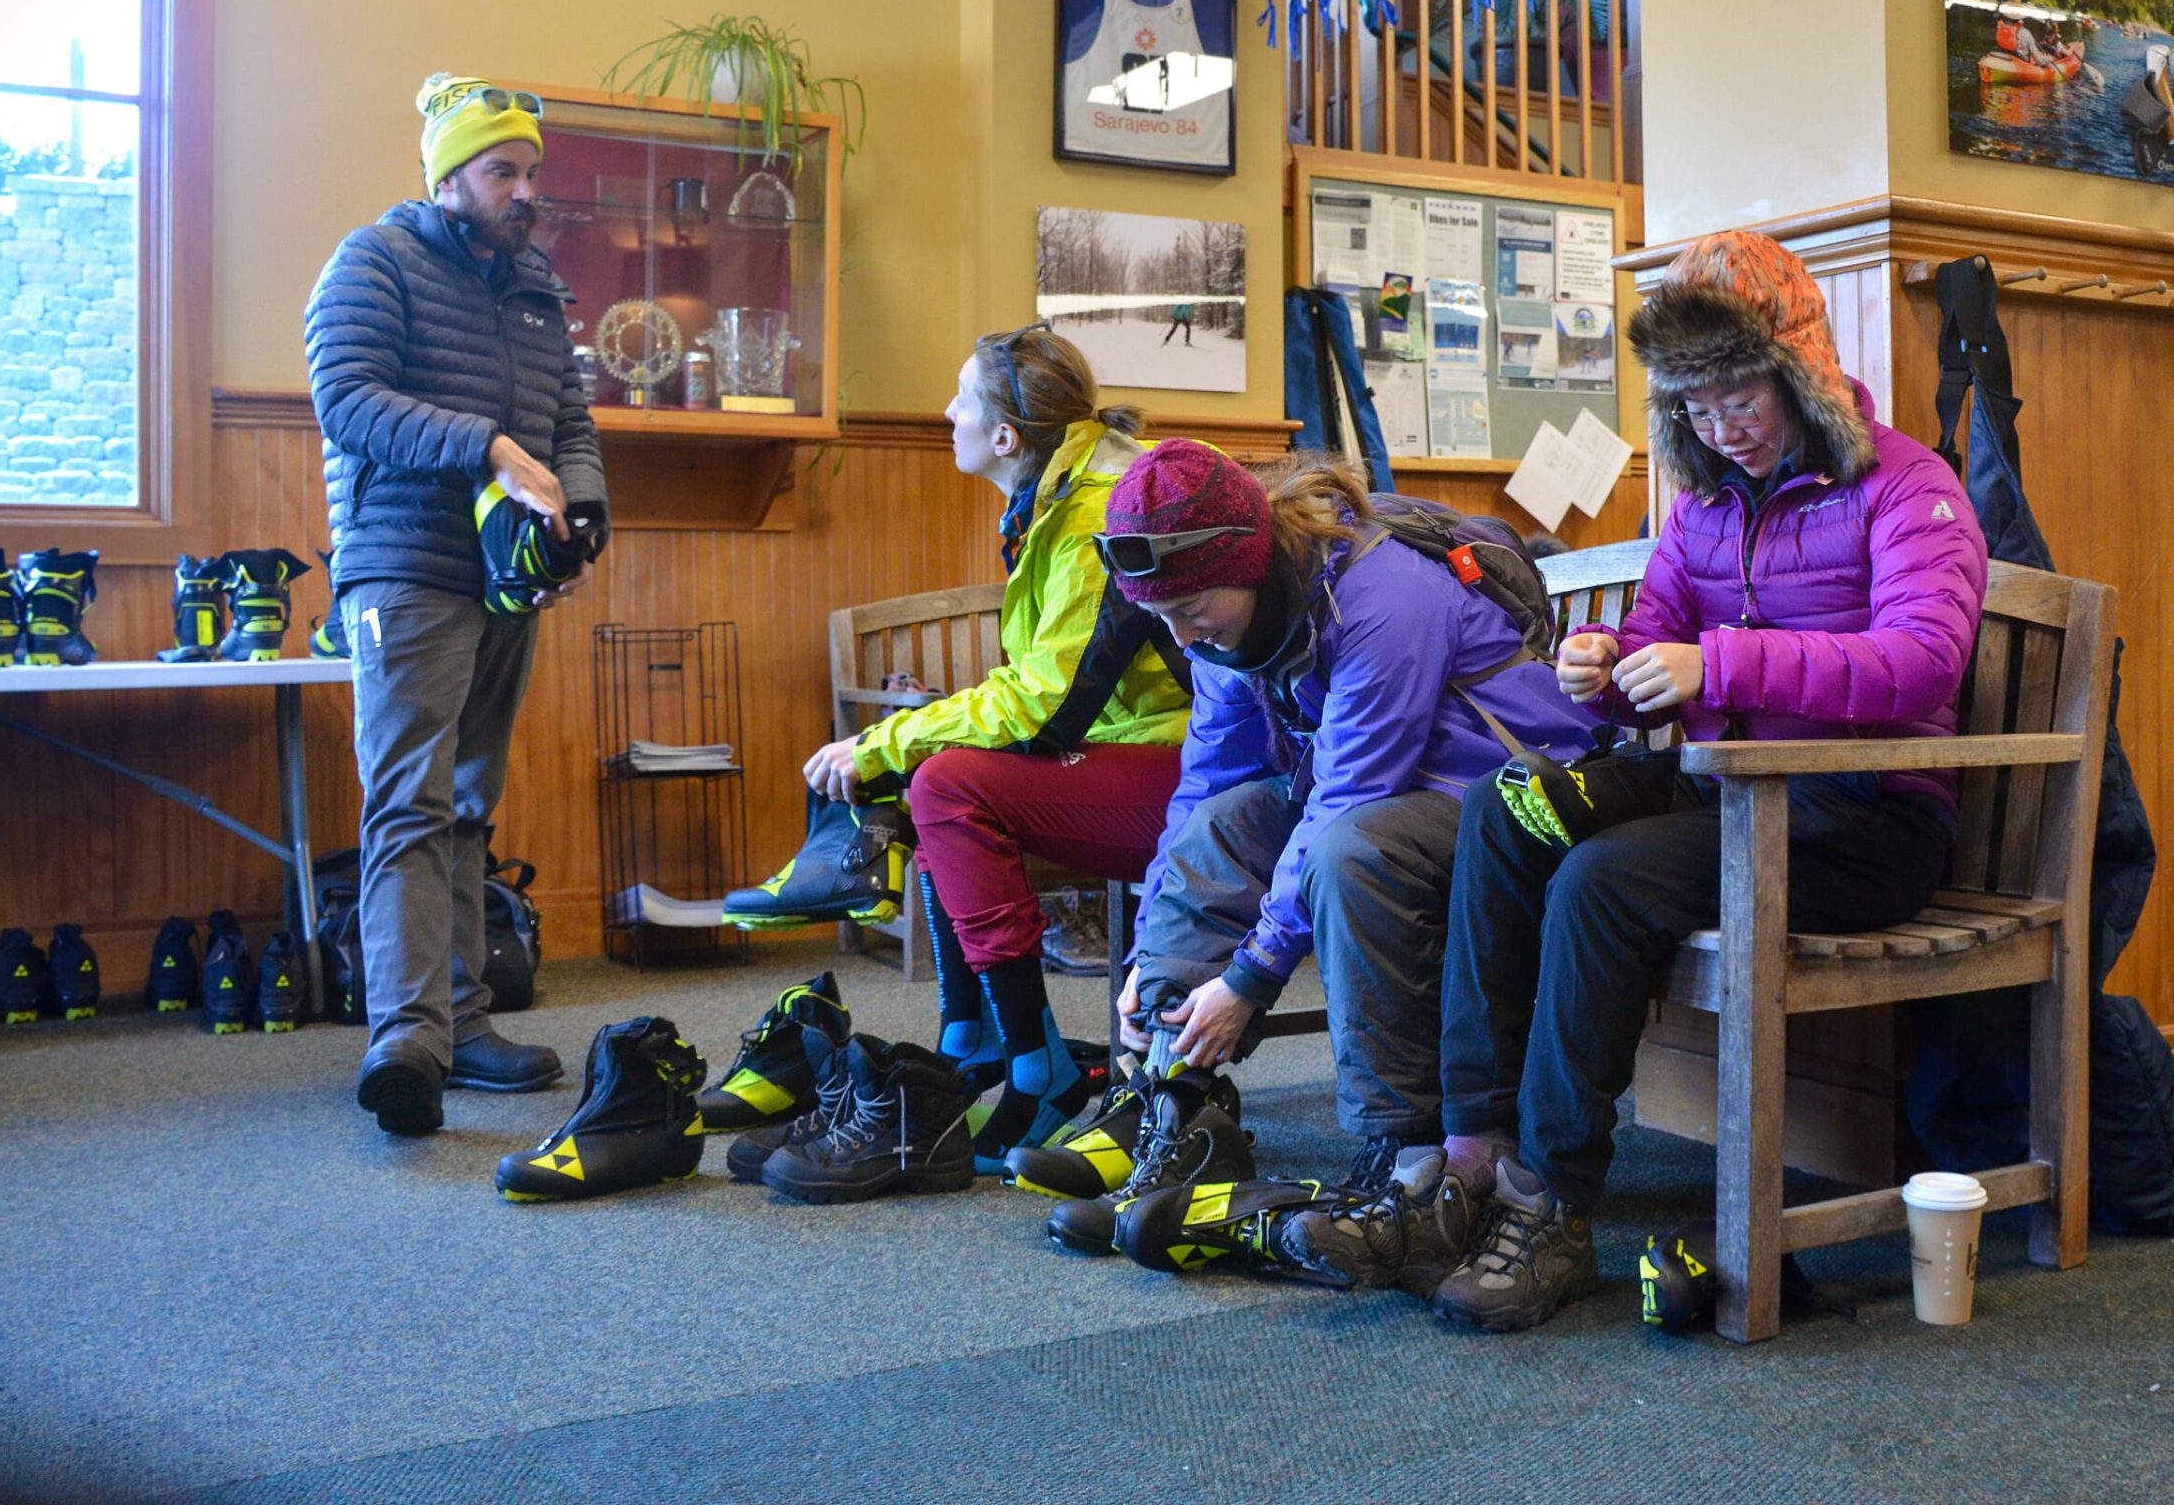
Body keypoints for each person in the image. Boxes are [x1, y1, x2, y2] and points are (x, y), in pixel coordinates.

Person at [1406, 229, 1985, 1331]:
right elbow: (1658, 640)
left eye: (1742, 397)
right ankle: (1472, 1154)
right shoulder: (1706, 505)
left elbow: (1924, 662)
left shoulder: (1909, 484)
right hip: (1729, 791)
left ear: (1801, 374)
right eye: (1699, 406)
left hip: (1868, 817)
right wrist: (1604, 670)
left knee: (1601, 882)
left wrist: (1714, 663)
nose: (1723, 426)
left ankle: (1551, 1203)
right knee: (1504, 811)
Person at [1102, 441, 1595, 1194]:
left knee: (1348, 856)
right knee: (1221, 828)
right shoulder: (1220, 630)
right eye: (1162, 617)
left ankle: (1402, 1141)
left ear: (1245, 566)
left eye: (1191, 611)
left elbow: (1352, 795)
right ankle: (1174, 1099)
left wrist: (1249, 976)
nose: (1182, 637)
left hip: (1501, 792)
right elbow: (1206, 788)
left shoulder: (1382, 594)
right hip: (1378, 795)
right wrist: (1149, 960)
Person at [796, 325, 1191, 1168]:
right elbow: (1057, 690)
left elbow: (1047, 707)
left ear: (1006, 436)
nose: (944, 411)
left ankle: (1035, 1064)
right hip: (1139, 747)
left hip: (1198, 772)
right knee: (933, 782)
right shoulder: (1062, 488)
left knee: (945, 785)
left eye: (961, 397)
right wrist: (897, 745)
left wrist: (884, 739)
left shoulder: (1096, 510)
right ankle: (971, 1038)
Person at [306, 75, 609, 1136]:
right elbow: (347, 402)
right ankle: (407, 1038)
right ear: (446, 176)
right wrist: (482, 444)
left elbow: (570, 422)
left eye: (532, 172)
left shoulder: (535, 286)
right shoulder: (372, 262)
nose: (525, 190)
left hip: (504, 578)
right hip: (404, 569)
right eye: (502, 170)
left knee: (471, 804)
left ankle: (465, 1023)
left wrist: (583, 510)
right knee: (408, 804)